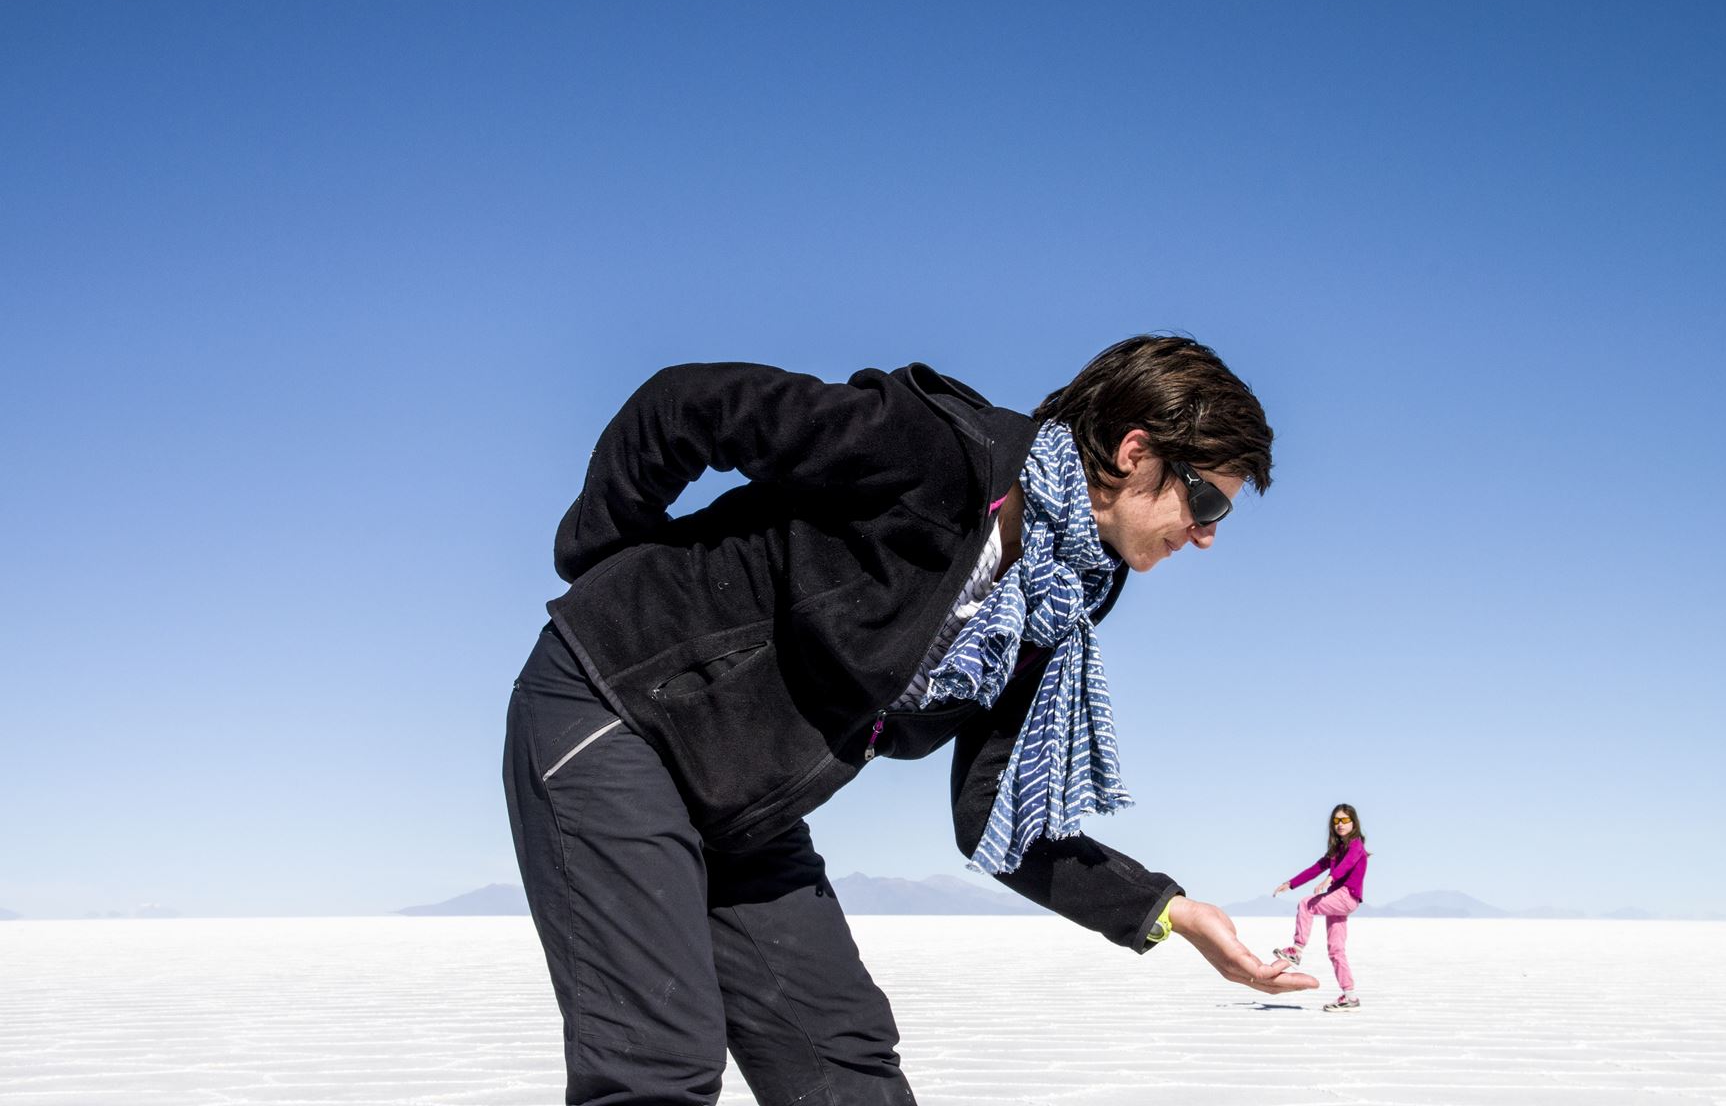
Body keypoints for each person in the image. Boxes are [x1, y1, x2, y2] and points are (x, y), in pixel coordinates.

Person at [503, 334, 1317, 1106]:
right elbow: (685, 404)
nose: (1206, 534)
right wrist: (602, 574)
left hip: (744, 802)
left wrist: (1168, 913)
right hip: (611, 708)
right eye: (1204, 498)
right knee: (658, 1063)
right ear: (1135, 451)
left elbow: (997, 815)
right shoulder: (934, 454)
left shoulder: (1059, 597)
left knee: (842, 1055)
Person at [1270, 803, 1369, 1012]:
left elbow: (1348, 864)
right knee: (1336, 950)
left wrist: (1330, 879)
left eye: (1344, 820)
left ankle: (1296, 950)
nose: (1340, 825)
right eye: (1336, 821)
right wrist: (1290, 883)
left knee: (1306, 904)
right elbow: (1316, 868)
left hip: (1346, 896)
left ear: (1353, 822)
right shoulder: (1336, 849)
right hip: (1338, 899)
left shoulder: (1356, 844)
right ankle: (1350, 996)